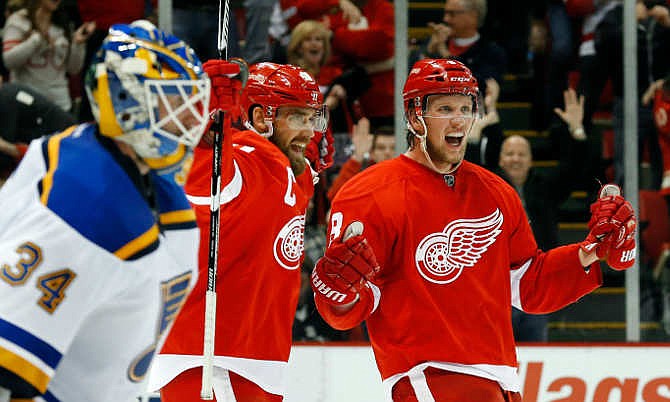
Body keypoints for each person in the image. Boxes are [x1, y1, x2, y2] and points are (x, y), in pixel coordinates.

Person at [310, 58, 637, 401]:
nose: (458, 119)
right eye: (445, 108)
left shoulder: (496, 192)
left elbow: (527, 285)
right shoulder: (368, 194)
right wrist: (337, 293)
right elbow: (348, 307)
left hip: (500, 380)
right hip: (430, 375)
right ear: (413, 116)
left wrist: (590, 252)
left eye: (466, 108)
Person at [0, 20, 210, 401]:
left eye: (189, 101)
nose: (190, 118)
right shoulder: (84, 208)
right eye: (172, 101)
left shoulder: (153, 185)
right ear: (126, 103)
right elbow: (7, 365)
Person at [150, 62, 329, 401]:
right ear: (262, 118)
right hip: (211, 361)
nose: (308, 131)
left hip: (252, 360)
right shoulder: (242, 159)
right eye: (296, 117)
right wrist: (207, 125)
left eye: (311, 118)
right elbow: (204, 176)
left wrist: (310, 169)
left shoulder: (289, 169)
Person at [2, 0, 96, 112]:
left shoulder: (63, 21)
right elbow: (9, 61)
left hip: (60, 106)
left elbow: (73, 69)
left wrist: (78, 44)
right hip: (26, 105)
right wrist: (36, 39)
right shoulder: (19, 20)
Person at [0, 82, 76, 185]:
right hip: (61, 138)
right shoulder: (8, 92)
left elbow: (6, 155)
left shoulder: (5, 99)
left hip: (63, 144)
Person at [327, 116, 395, 202]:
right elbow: (334, 196)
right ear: (372, 153)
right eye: (381, 148)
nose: (387, 153)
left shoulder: (410, 173)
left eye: (394, 148)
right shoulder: (365, 175)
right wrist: (357, 157)